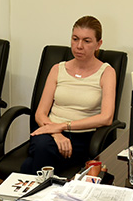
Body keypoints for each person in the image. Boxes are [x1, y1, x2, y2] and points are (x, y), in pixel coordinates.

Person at [20, 16, 117, 175]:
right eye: (75, 39)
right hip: (50, 132)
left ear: (98, 44)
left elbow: (106, 118)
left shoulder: (106, 72)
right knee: (42, 147)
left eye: (87, 41)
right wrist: (56, 133)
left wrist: (63, 126)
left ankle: (38, 187)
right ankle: (51, 187)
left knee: (30, 163)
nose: (79, 46)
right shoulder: (57, 69)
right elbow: (40, 114)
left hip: (82, 137)